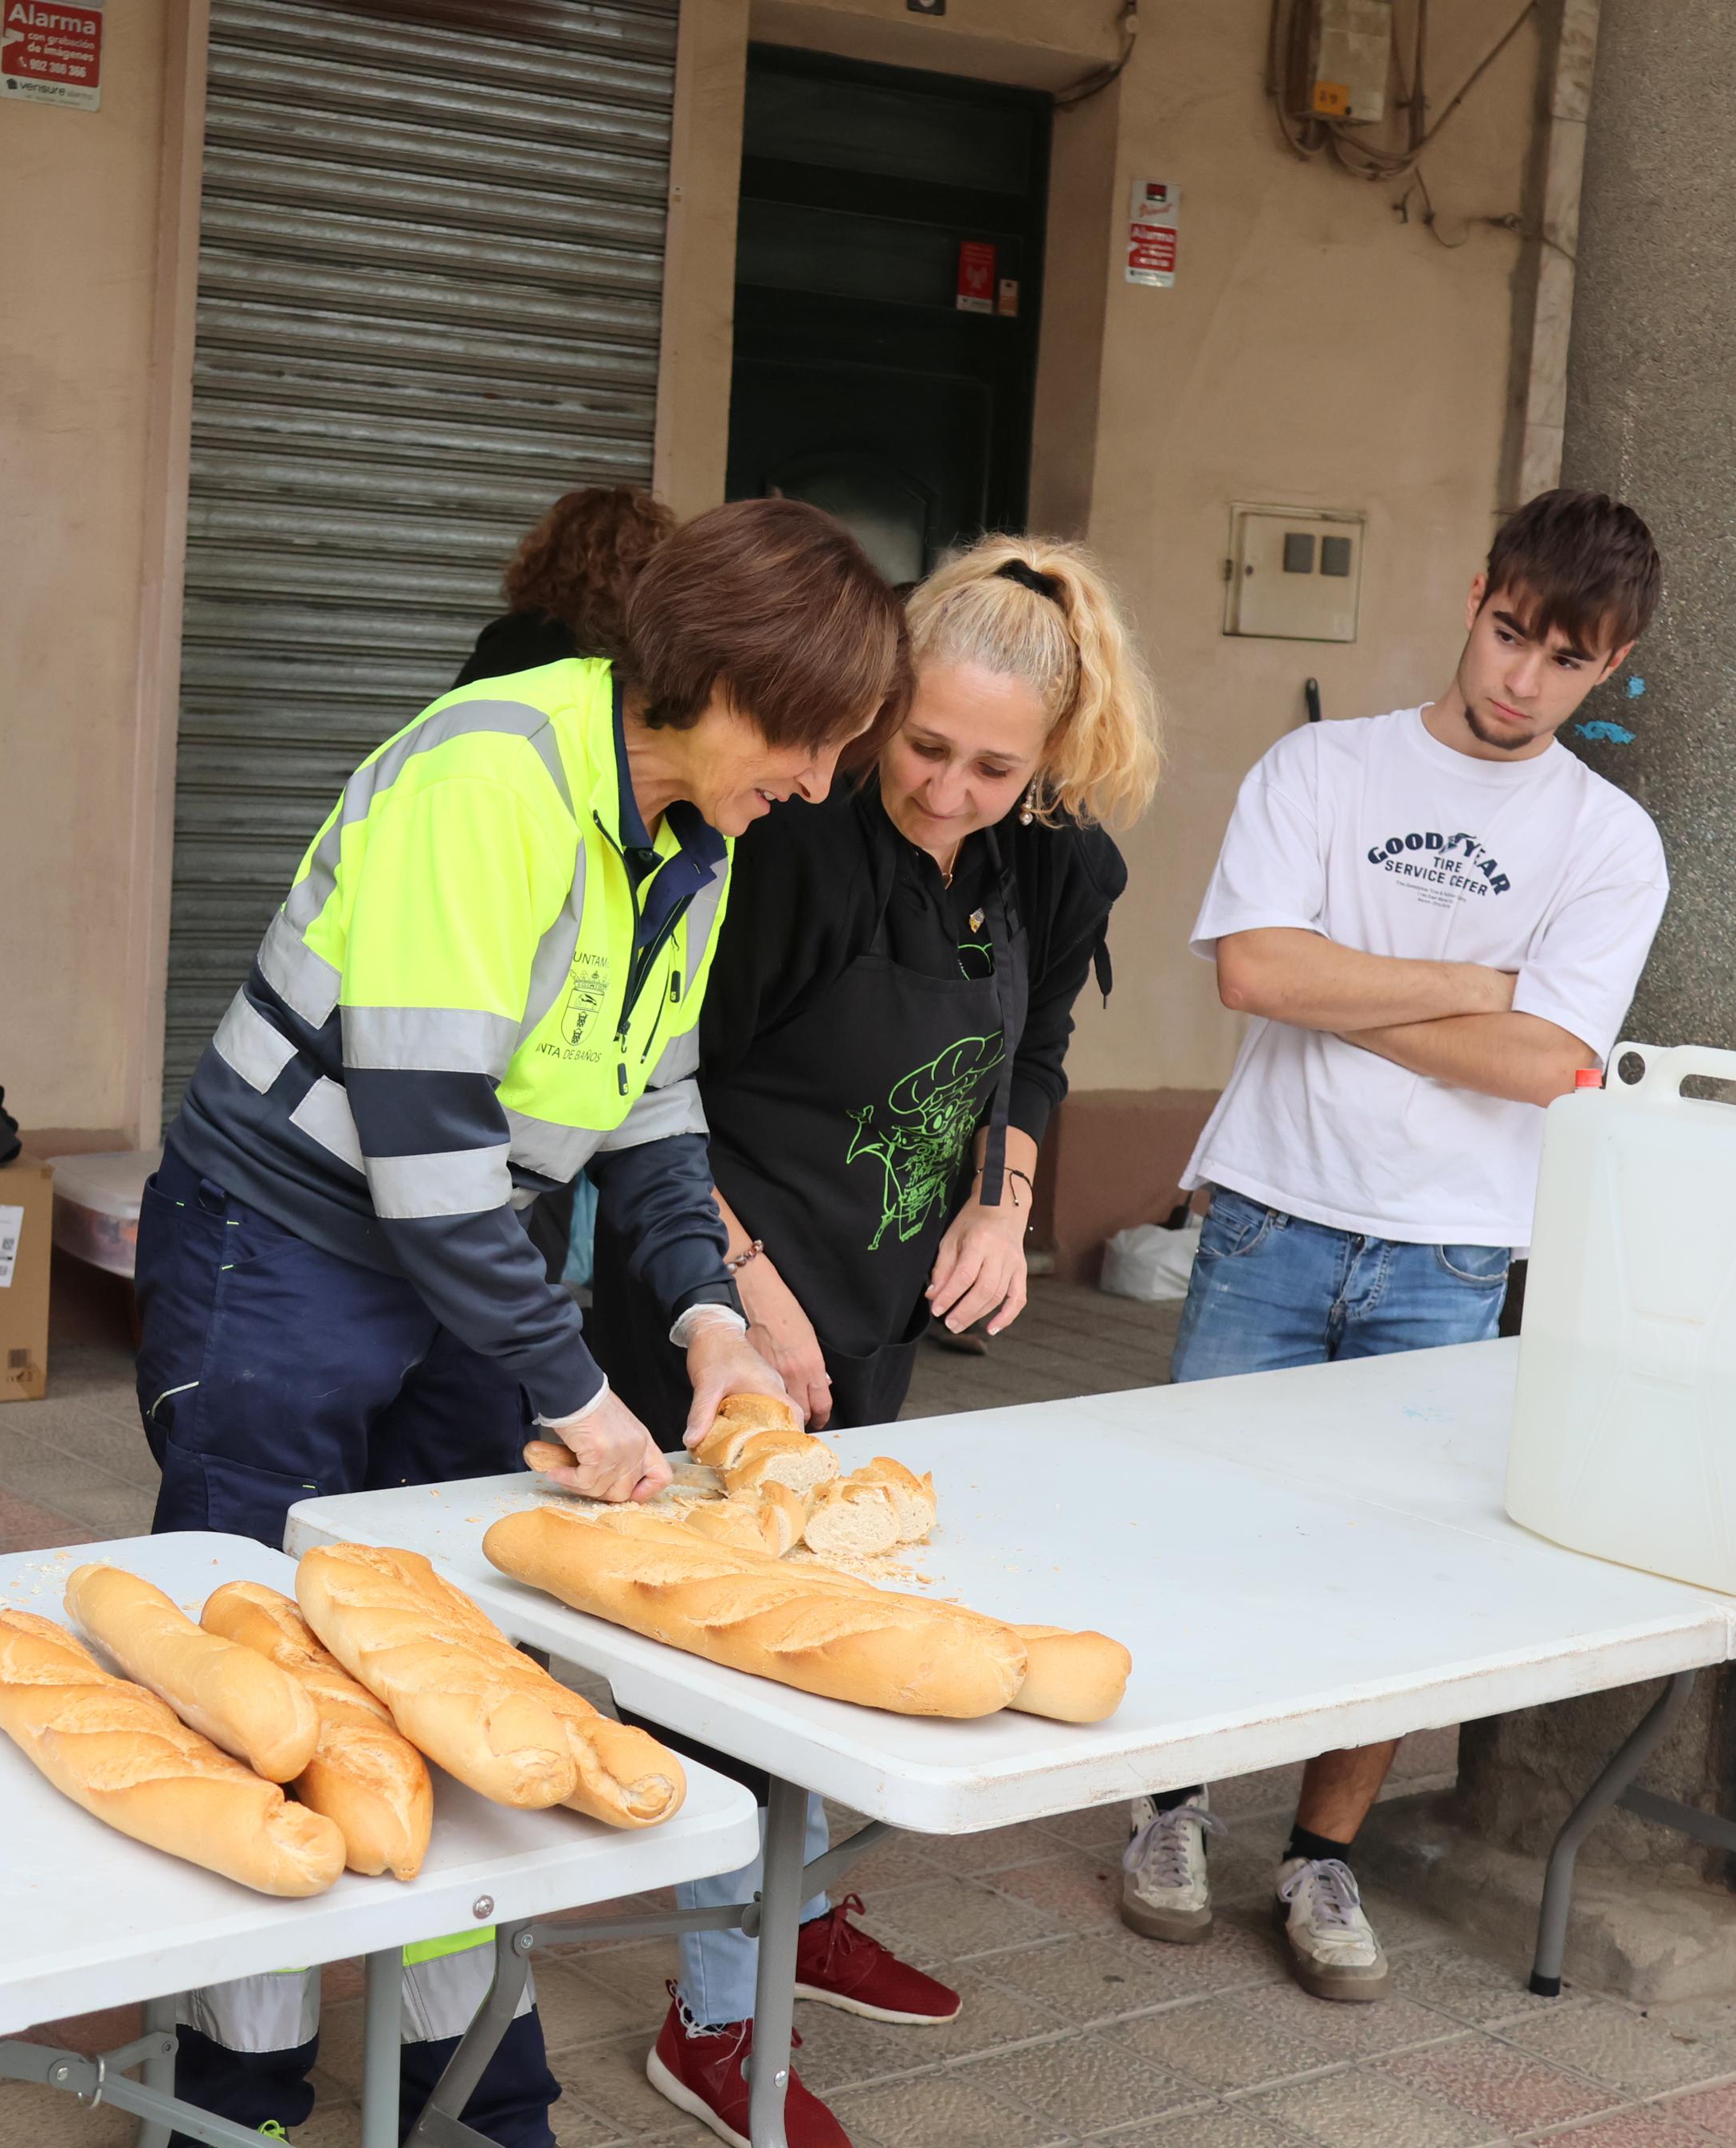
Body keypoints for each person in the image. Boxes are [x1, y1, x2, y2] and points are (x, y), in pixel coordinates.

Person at [137, 497, 900, 2147]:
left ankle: (466, 2084)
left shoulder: (693, 836)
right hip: (284, 1242)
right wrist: (574, 1387)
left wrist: (703, 1318)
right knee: (254, 1656)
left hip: (458, 1250)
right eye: (805, 737)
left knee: (449, 1658)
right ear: (708, 678)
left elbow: (648, 1097)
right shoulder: (488, 777)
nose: (819, 782)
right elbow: (421, 1143)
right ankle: (236, 2083)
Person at [582, 535, 1160, 2147]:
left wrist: (999, 1201)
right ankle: (714, 2016)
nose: (945, 792)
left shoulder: (1047, 863)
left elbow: (1028, 1055)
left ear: (1049, 758)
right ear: (877, 708)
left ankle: (801, 1905)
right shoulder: (786, 849)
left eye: (992, 769)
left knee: (838, 1624)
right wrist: (744, 1292)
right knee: (722, 1663)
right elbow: (647, 1087)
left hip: (874, 1302)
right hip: (708, 1297)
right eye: (921, 747)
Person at [1120, 487, 1667, 2004]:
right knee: (1200, 1528)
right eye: (1508, 634)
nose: (1519, 680)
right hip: (1270, 1210)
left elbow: (1549, 1066)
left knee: (1390, 1571)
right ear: (1476, 594)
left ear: (1609, 665)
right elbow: (1252, 972)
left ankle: (1320, 1853)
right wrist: (1473, 982)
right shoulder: (1321, 768)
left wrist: (1346, 984)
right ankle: (1168, 1806)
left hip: (1451, 1250)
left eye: (1562, 661)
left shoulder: (1607, 842)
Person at [453, 483, 678, 687]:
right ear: (647, 565)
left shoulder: (510, 638)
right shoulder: (645, 656)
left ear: (547, 556)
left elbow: (459, 709)